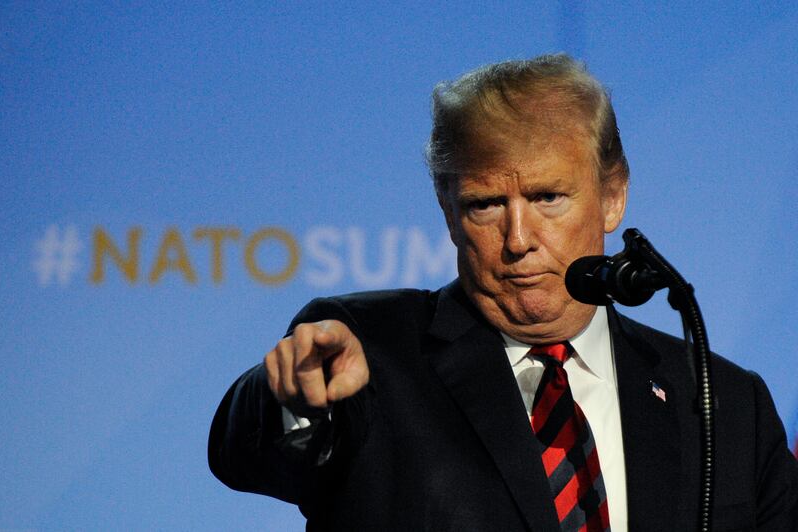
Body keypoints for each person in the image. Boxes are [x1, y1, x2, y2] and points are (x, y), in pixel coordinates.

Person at [208, 54, 798, 531]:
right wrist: (296, 398)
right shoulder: (370, 354)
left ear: (613, 196)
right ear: (447, 212)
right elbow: (246, 455)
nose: (518, 240)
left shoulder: (726, 402)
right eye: (486, 204)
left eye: (547, 198)